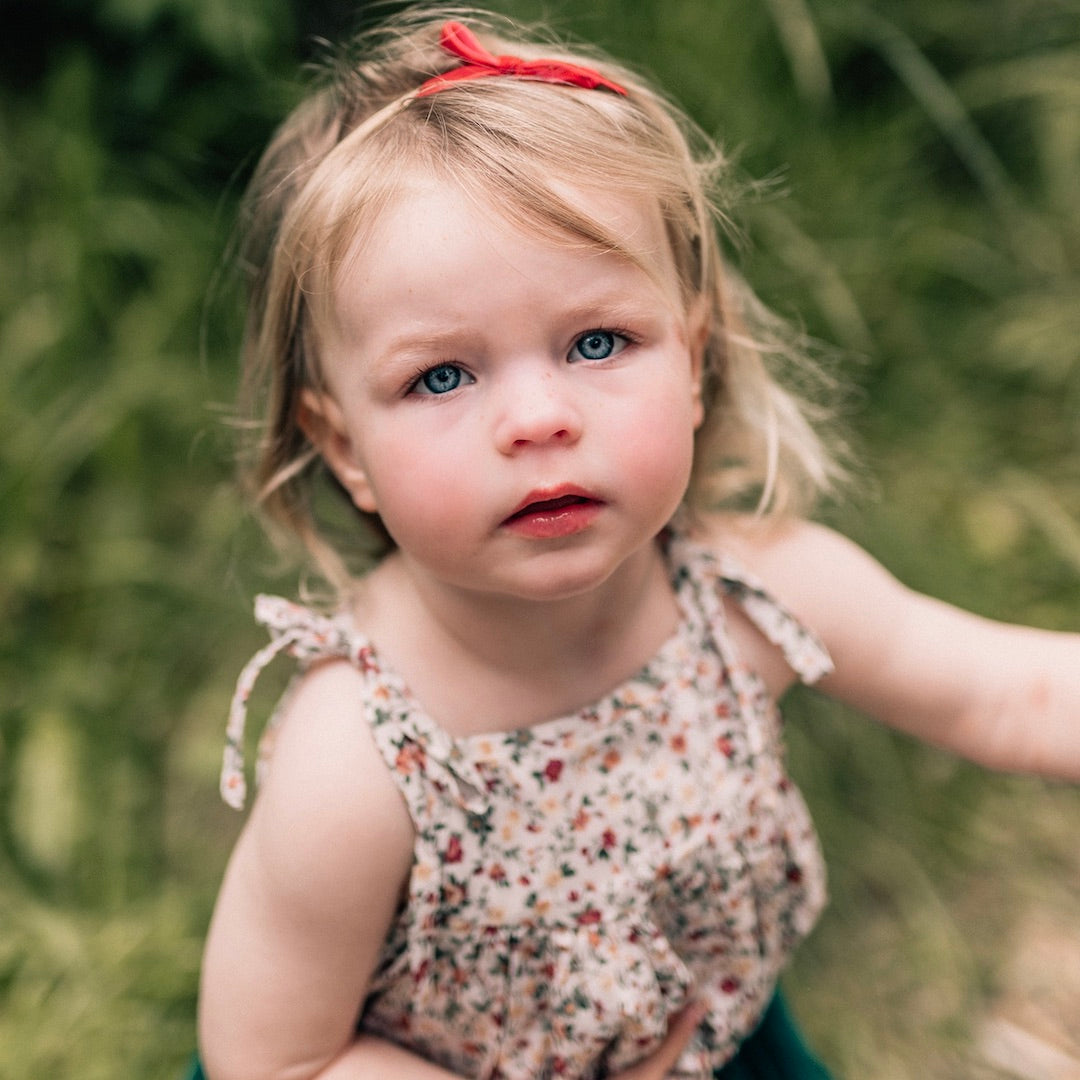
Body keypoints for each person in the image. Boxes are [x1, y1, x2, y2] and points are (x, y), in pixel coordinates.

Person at [193, 7, 1080, 1078]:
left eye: (597, 342)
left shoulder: (752, 594)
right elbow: (275, 1060)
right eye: (440, 376)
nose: (537, 419)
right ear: (346, 450)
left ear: (695, 361)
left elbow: (1003, 693)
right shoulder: (364, 758)